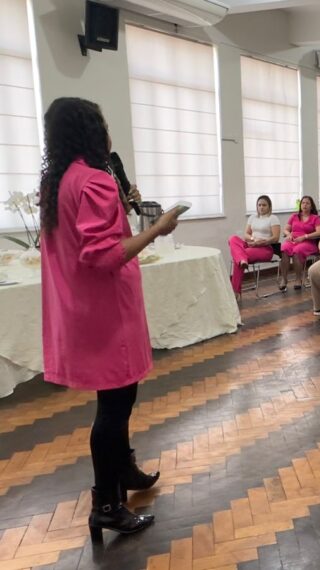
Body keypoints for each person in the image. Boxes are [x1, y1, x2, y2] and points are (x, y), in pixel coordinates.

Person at [39, 97, 183, 540]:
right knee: (115, 406)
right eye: (104, 124)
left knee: (115, 402)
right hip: (106, 311)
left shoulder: (56, 182)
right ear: (92, 131)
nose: (109, 133)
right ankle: (106, 502)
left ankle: (123, 472)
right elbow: (102, 254)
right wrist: (156, 230)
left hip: (81, 309)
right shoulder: (94, 181)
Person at [228, 195, 281, 300]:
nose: (261, 207)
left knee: (237, 258)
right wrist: (253, 239)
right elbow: (246, 234)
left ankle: (235, 292)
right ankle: (242, 259)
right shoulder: (252, 217)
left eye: (264, 205)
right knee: (232, 238)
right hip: (251, 244)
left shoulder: (273, 218)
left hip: (265, 248)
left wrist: (260, 242)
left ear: (269, 206)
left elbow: (275, 238)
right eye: (259, 205)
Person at [279, 195, 320, 291]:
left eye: (307, 203)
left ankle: (298, 279)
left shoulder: (315, 218)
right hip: (293, 240)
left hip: (308, 242)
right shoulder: (294, 216)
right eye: (303, 203)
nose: (305, 205)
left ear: (311, 206)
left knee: (297, 250)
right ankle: (284, 279)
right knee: (283, 249)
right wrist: (288, 234)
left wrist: (304, 237)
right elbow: (285, 230)